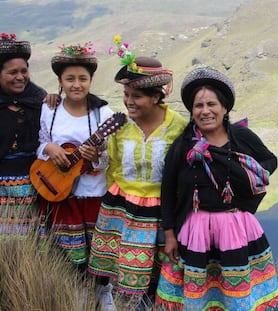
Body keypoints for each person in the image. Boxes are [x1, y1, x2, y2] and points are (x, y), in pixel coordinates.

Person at [156, 65, 278, 310]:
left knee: (235, 292)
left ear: (224, 107)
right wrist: (170, 234)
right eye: (198, 106)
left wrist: (253, 174)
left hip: (236, 228)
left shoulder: (241, 137)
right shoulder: (183, 146)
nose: (205, 111)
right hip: (195, 230)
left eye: (211, 104)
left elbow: (270, 160)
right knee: (199, 291)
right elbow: (168, 190)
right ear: (191, 111)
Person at [87, 37, 187, 310]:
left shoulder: (178, 127)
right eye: (126, 95)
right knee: (119, 266)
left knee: (155, 268)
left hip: (160, 209)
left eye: (137, 96)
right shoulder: (119, 126)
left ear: (156, 97)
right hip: (122, 206)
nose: (129, 102)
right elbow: (112, 165)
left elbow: (182, 174)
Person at [35, 42, 117, 310]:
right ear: (60, 81)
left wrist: (96, 158)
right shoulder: (51, 109)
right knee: (71, 249)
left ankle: (104, 291)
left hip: (94, 192)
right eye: (69, 78)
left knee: (98, 248)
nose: (76, 84)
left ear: (91, 81)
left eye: (83, 78)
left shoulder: (102, 114)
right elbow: (40, 144)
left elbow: (108, 158)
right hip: (60, 192)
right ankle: (80, 290)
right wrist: (50, 148)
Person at [0, 33, 47, 236]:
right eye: (12, 72)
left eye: (24, 71)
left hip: (34, 185)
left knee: (32, 240)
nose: (20, 77)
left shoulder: (40, 101)